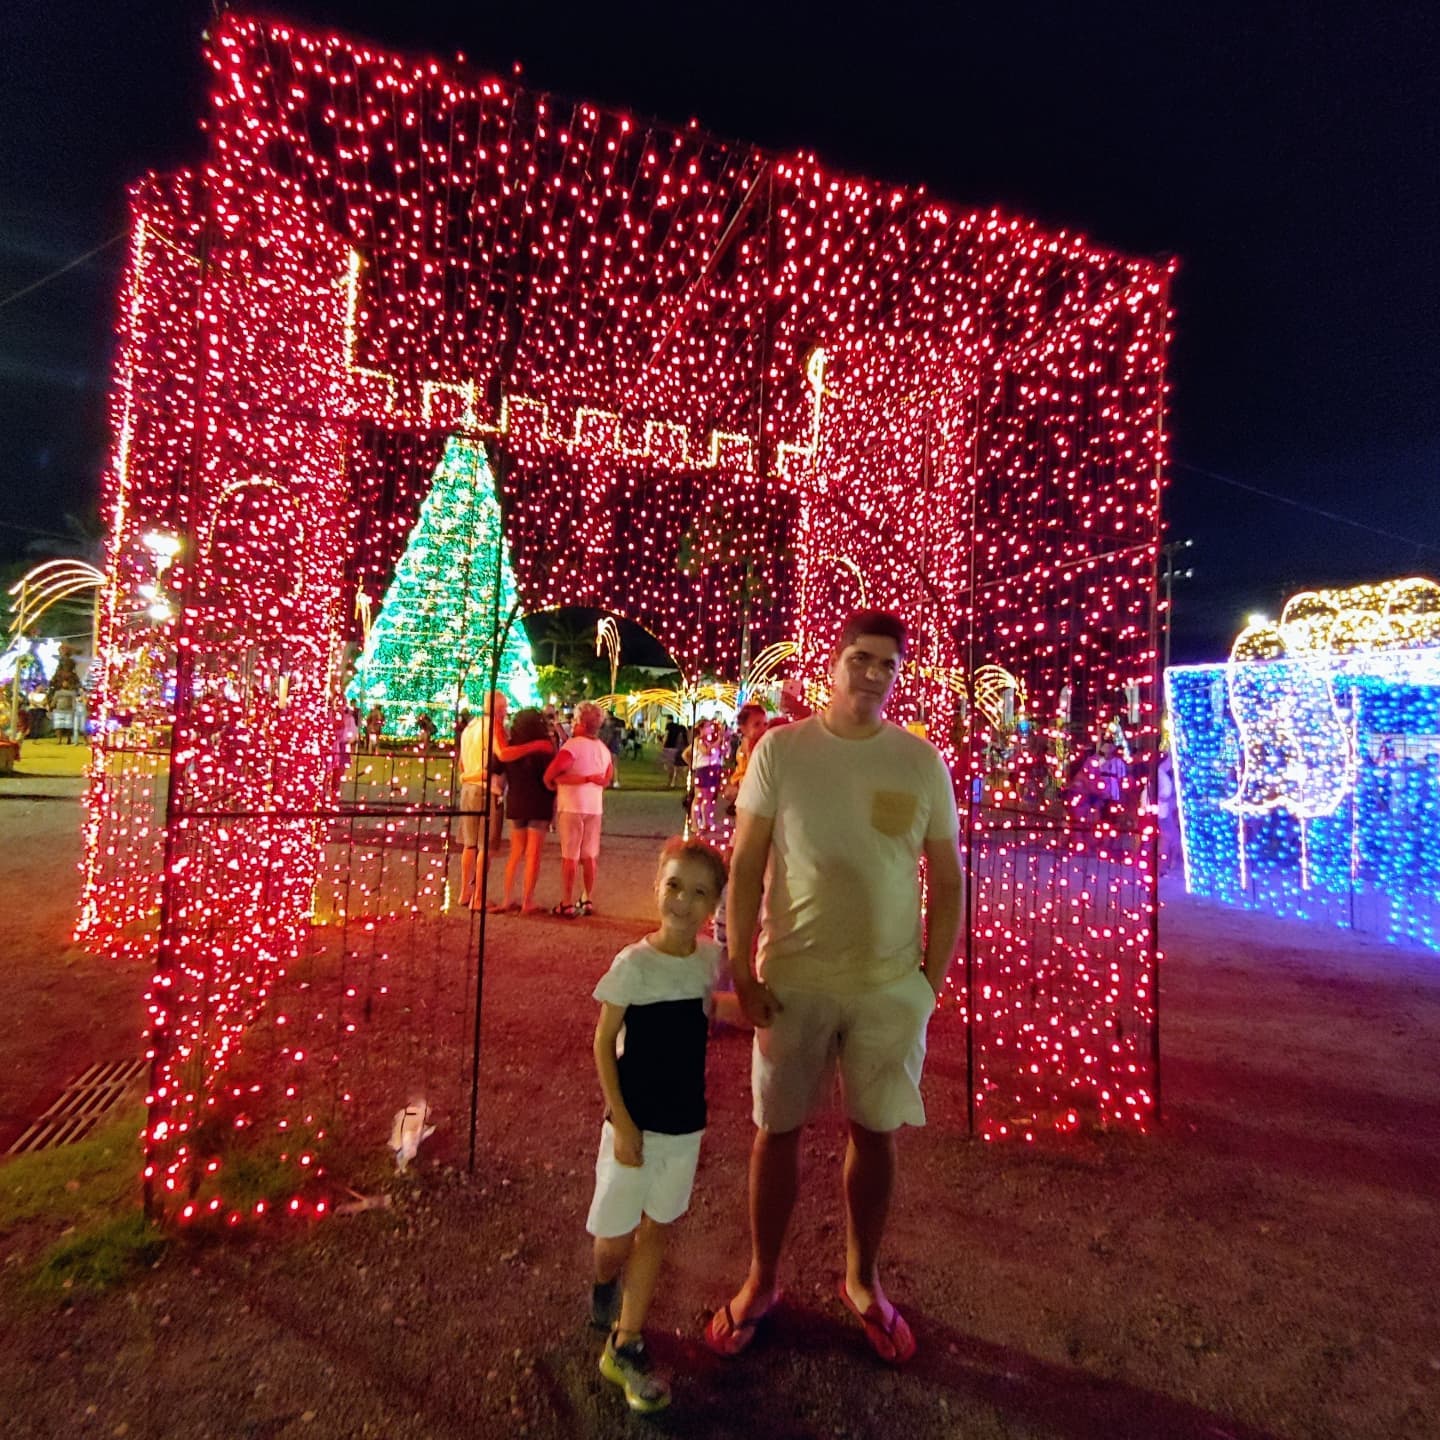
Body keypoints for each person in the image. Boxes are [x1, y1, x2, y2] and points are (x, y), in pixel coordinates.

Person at [706, 609, 963, 1366]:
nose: (874, 674)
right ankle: (761, 1279)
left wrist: (928, 984)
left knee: (874, 1133)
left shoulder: (920, 764)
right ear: (833, 662)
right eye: (861, 658)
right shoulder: (782, 751)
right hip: (796, 974)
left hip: (886, 985)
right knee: (775, 1130)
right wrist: (742, 970)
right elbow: (747, 865)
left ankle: (862, 1281)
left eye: (887, 663)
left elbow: (947, 881)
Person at [587, 837, 739, 1413]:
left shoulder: (709, 961)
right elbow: (604, 1043)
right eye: (674, 886)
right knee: (614, 1238)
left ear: (714, 906)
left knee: (655, 1229)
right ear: (658, 887)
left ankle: (625, 1343)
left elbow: (713, 1008)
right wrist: (622, 1123)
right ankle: (603, 1281)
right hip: (634, 1123)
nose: (682, 901)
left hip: (683, 1125)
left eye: (699, 893)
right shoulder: (633, 964)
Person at [457, 692, 550, 910]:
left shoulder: (471, 727)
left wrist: (467, 776)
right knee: (485, 847)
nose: (506, 711)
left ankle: (465, 892)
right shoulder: (494, 727)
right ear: (497, 709)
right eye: (505, 707)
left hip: (468, 789)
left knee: (469, 845)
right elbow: (503, 754)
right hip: (486, 789)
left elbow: (462, 763)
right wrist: (536, 746)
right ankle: (478, 897)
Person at [544, 700, 614, 917]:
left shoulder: (572, 747)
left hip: (572, 805)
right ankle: (587, 897)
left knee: (570, 855)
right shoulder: (603, 750)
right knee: (590, 855)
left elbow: (551, 774)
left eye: (574, 720)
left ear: (581, 723)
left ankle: (567, 901)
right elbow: (607, 778)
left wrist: (566, 781)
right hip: (594, 806)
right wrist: (591, 780)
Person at [488, 707, 557, 915]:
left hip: (516, 802)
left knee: (515, 853)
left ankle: (508, 898)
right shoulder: (544, 750)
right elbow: (551, 777)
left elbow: (496, 770)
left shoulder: (510, 748)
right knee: (533, 855)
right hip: (539, 802)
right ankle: (528, 901)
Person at [689, 717, 726, 833]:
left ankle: (707, 822)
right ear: (701, 728)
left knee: (709, 798)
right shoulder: (698, 740)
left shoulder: (713, 740)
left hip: (714, 768)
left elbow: (723, 751)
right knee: (699, 797)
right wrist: (718, 741)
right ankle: (695, 824)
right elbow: (706, 751)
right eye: (707, 726)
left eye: (711, 726)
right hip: (703, 769)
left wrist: (723, 740)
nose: (710, 729)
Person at [660, 718, 688, 788]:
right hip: (677, 750)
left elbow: (666, 735)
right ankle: (674, 782)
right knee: (676, 768)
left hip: (671, 748)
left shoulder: (669, 726)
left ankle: (672, 782)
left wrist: (663, 744)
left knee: (671, 767)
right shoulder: (680, 731)